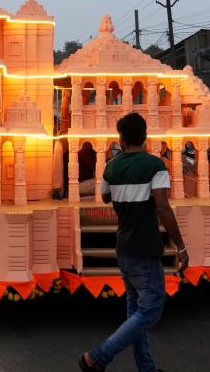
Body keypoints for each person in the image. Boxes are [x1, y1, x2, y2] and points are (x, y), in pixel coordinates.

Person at [80, 113, 189, 372]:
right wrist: (181, 247)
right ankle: (97, 357)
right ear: (145, 137)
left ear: (121, 138)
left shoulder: (111, 167)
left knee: (135, 311)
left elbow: (105, 198)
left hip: (124, 248)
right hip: (145, 246)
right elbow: (162, 207)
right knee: (151, 309)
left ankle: (147, 369)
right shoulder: (155, 166)